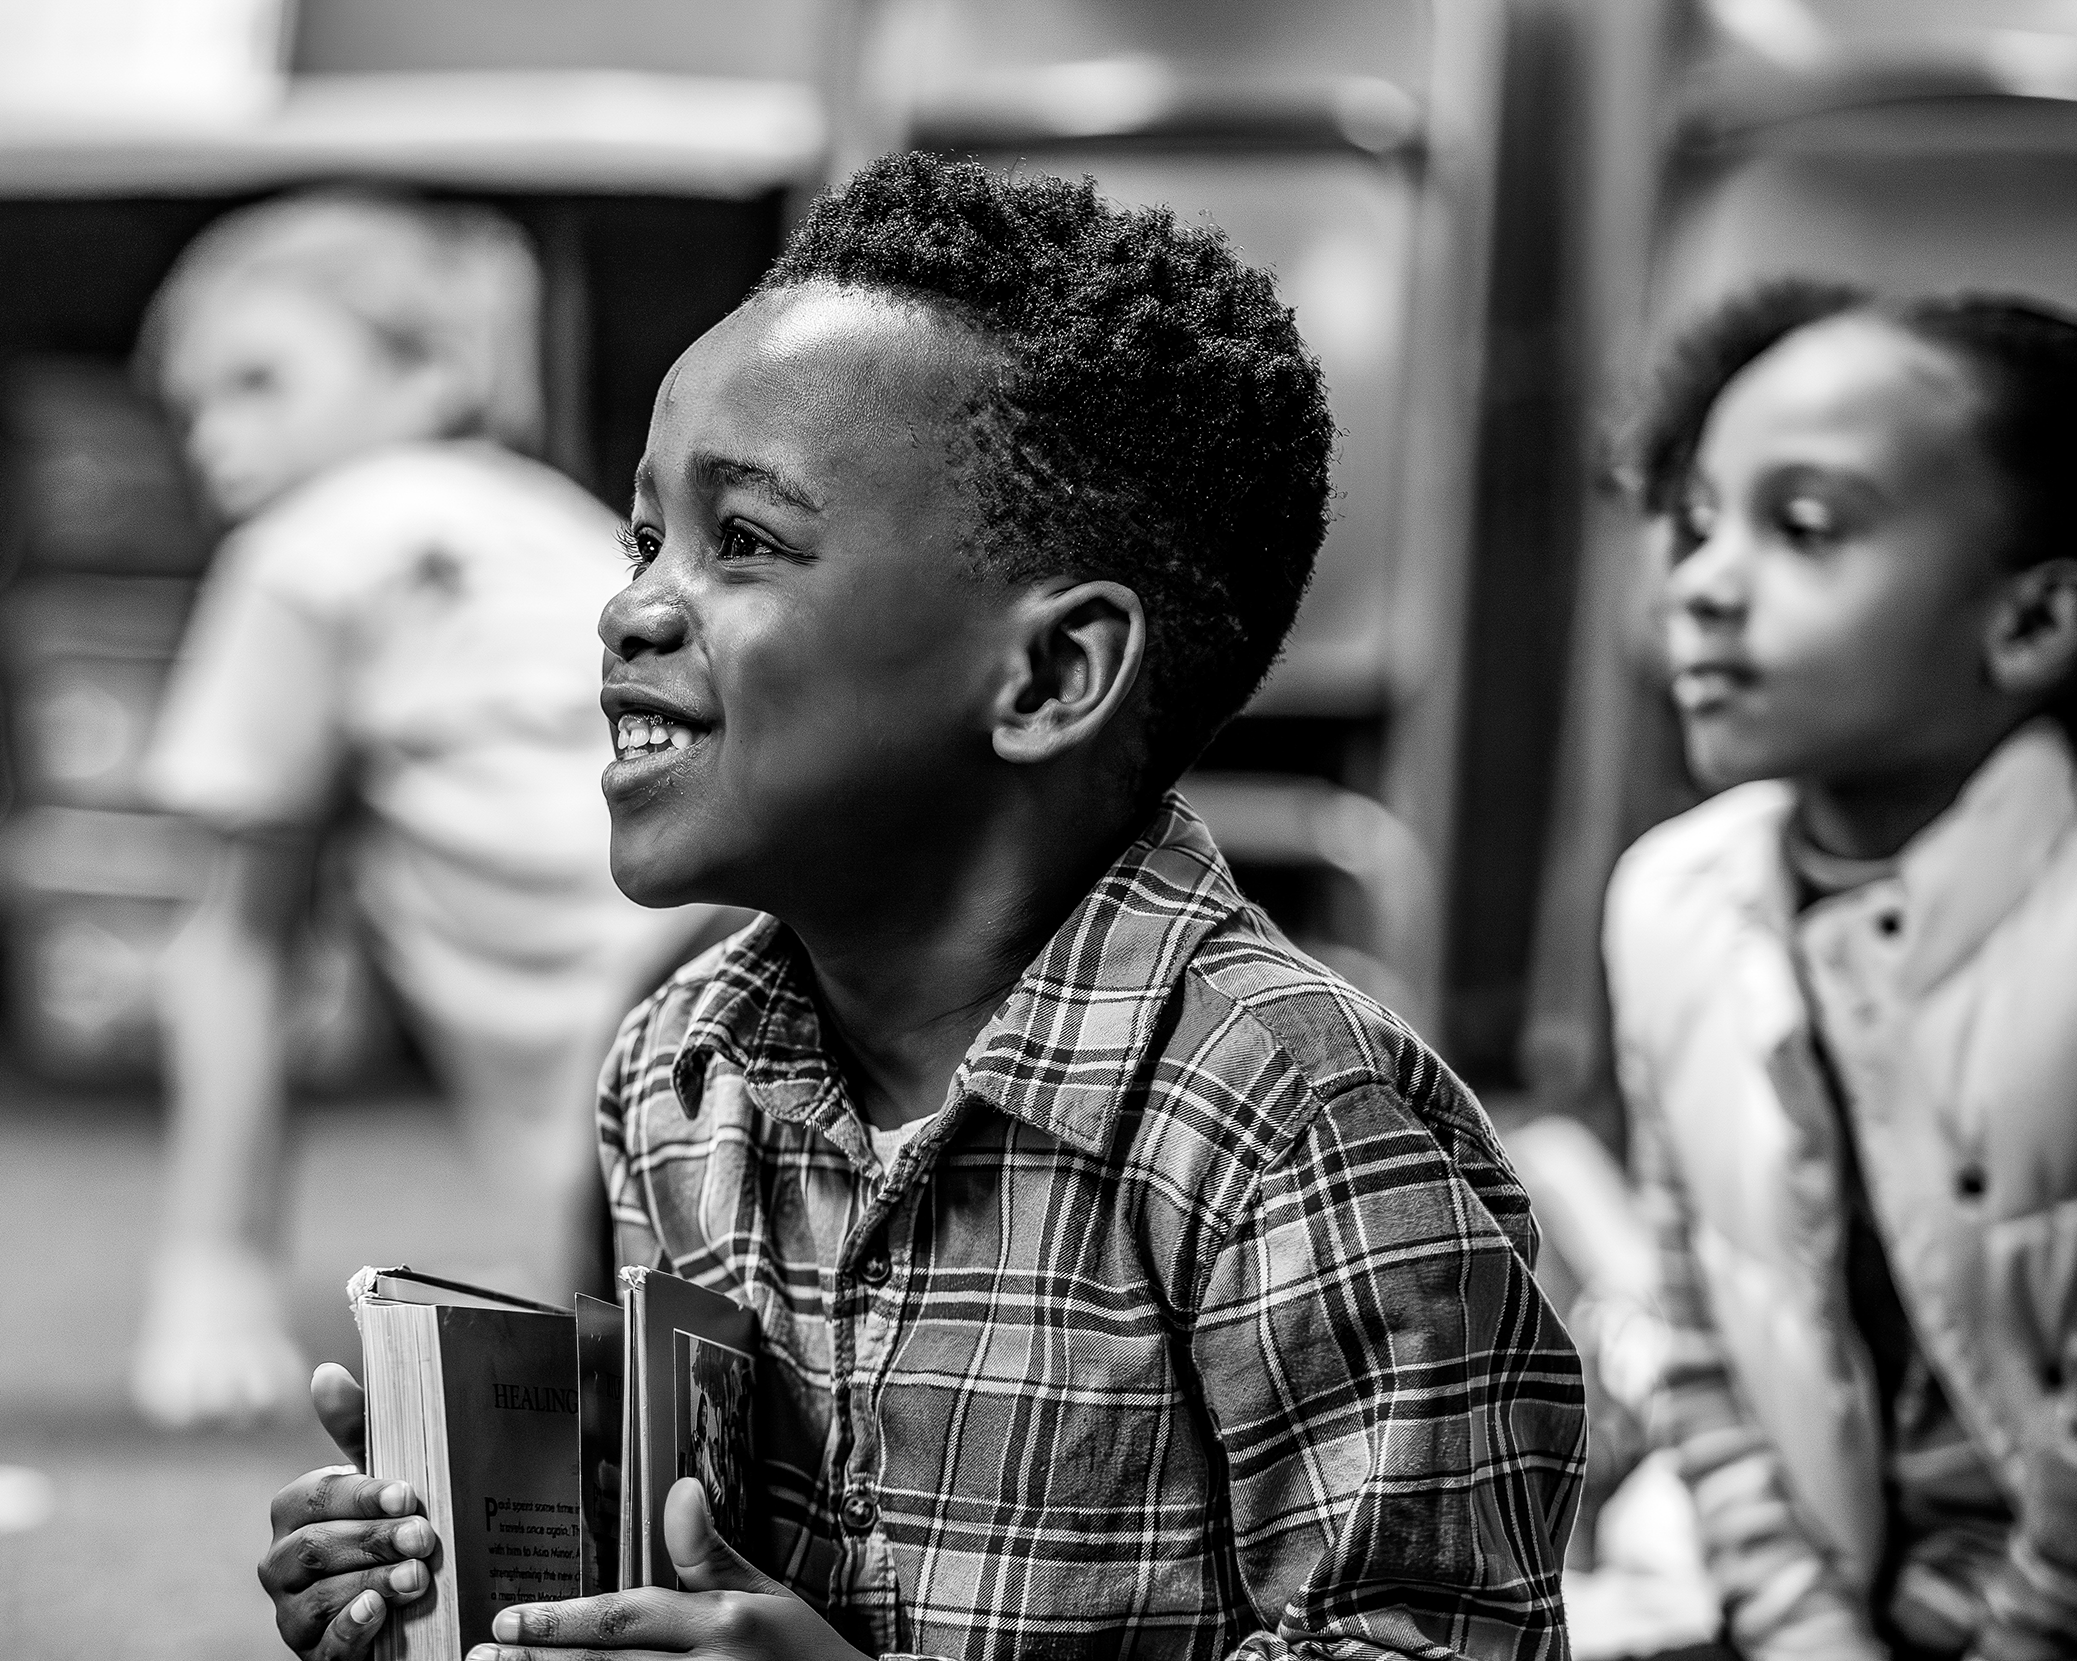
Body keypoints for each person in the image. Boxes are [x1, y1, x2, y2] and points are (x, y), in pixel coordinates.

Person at [255, 153, 1585, 1661]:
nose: (631, 605)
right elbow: (712, 1570)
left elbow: (1426, 1639)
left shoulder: (1288, 1119)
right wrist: (479, 1565)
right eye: (644, 539)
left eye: (742, 541)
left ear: (1047, 677)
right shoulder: (677, 1070)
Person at [130, 191, 714, 1430]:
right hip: (745, 947)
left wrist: (212, 1270)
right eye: (188, 406)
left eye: (258, 381)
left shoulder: (301, 552)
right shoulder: (568, 524)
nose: (211, 437)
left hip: (642, 1023)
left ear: (432, 369)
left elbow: (237, 943)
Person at [1602, 281, 2077, 1661]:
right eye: (1697, 524)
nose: (1699, 581)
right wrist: (1800, 1629)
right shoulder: (1672, 902)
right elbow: (1702, 1349)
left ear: (2032, 623)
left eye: (1802, 528)